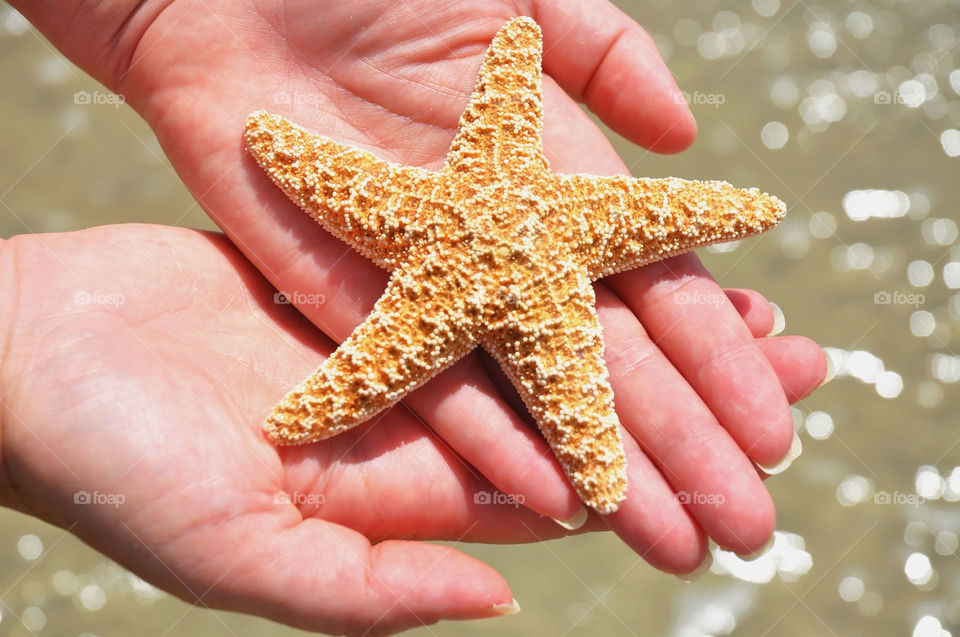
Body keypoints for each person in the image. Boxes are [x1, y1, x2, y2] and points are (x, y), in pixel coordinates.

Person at [1, 1, 828, 634]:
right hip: (517, 265)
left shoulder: (467, 184)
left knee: (596, 442)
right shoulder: (501, 188)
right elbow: (309, 157)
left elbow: (535, 109)